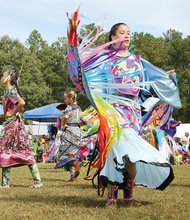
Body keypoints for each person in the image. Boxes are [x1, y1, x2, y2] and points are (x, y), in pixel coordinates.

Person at [67, 8, 182, 207]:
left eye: (128, 32)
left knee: (131, 155)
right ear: (112, 37)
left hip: (133, 112)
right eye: (122, 32)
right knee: (115, 151)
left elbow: (152, 79)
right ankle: (112, 197)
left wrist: (168, 78)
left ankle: (128, 197)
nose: (127, 35)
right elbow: (87, 75)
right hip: (113, 112)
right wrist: (75, 44)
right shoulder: (105, 60)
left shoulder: (138, 61)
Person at [0, 69, 43, 188]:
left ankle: (37, 182)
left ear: (8, 78)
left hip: (13, 125)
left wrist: (13, 112)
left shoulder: (10, 91)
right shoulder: (8, 92)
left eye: (3, 75)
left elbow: (22, 103)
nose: (1, 77)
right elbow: (8, 112)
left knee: (7, 150)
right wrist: (8, 114)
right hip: (11, 123)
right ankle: (6, 183)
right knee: (9, 151)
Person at [55, 91, 82, 182]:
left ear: (71, 98)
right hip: (77, 132)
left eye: (66, 98)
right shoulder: (79, 108)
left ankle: (75, 168)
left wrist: (63, 125)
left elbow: (65, 117)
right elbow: (83, 120)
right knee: (73, 153)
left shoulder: (68, 108)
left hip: (69, 132)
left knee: (65, 153)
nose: (65, 100)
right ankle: (73, 177)